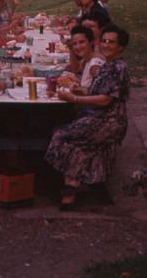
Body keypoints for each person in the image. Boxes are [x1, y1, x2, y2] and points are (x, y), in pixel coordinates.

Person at [45, 23, 131, 209]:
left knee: (61, 135)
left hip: (109, 122)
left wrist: (74, 97)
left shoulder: (118, 68)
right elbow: (97, 92)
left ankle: (71, 189)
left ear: (121, 46)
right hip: (98, 117)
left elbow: (106, 100)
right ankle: (74, 186)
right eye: (104, 41)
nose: (106, 45)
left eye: (112, 42)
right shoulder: (110, 65)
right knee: (63, 130)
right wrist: (81, 91)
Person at [61, 24, 105, 92]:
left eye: (81, 42)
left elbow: (101, 95)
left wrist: (74, 98)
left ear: (91, 42)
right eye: (74, 43)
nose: (78, 47)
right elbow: (75, 69)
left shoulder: (95, 65)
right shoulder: (88, 57)